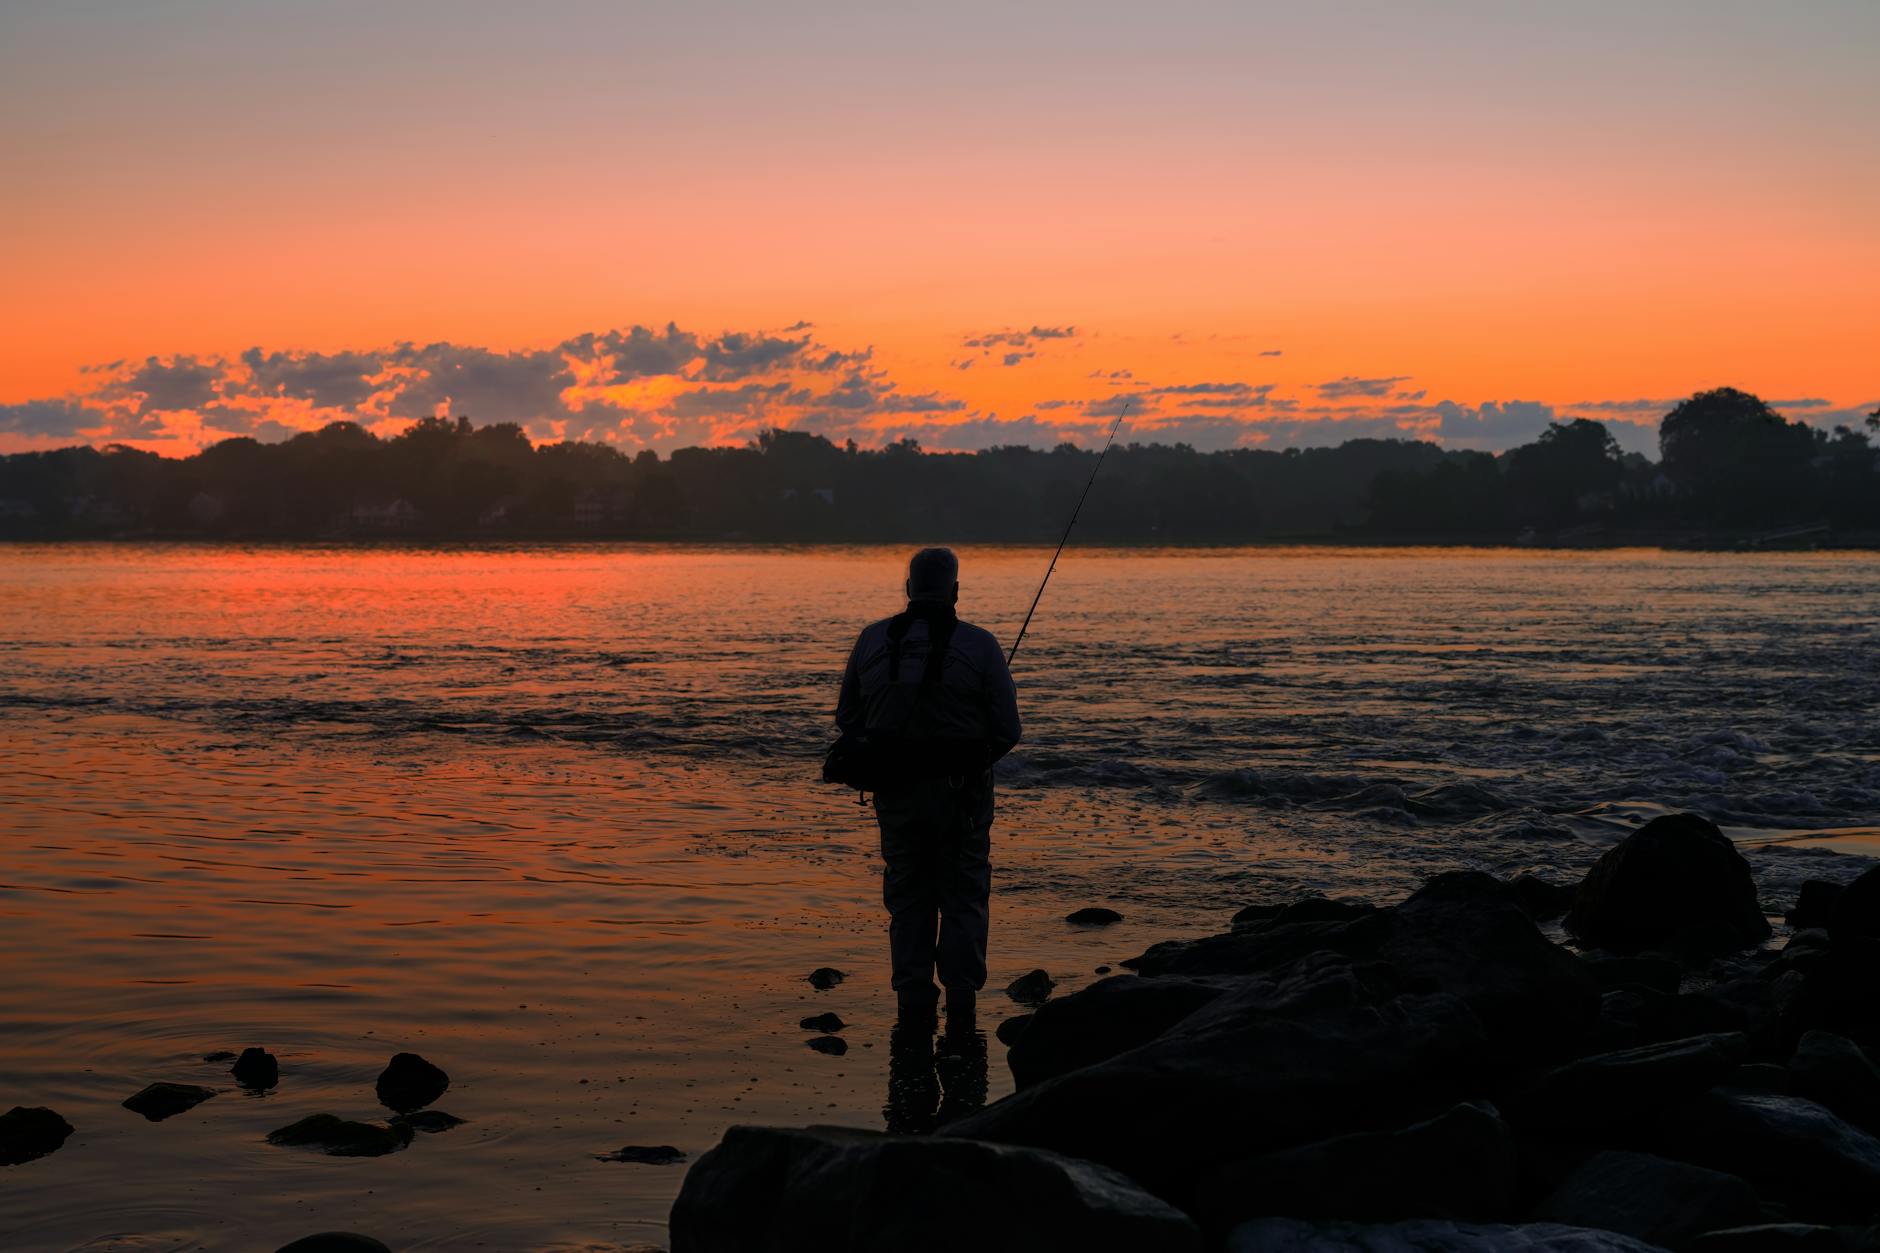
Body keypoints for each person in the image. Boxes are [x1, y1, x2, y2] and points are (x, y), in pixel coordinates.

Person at [835, 547, 1021, 1024]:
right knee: (962, 893)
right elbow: (1007, 731)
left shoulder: (871, 639)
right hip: (963, 796)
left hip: (894, 793)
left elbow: (848, 718)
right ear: (955, 591)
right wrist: (970, 764)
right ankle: (961, 1000)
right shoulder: (980, 645)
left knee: (907, 893)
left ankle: (913, 998)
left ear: (908, 590)